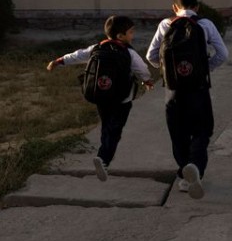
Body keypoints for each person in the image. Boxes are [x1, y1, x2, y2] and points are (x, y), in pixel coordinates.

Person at [46, 15, 154, 182]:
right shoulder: (129, 52)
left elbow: (77, 55)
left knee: (106, 125)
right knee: (115, 130)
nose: (133, 35)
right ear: (120, 36)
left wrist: (59, 61)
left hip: (101, 96)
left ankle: (103, 153)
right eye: (131, 32)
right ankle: (103, 159)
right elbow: (142, 69)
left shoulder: (97, 48)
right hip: (122, 99)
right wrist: (147, 80)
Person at [147, 0, 228, 199]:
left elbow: (151, 56)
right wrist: (204, 68)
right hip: (198, 88)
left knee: (178, 132)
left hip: (173, 90)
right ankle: (195, 167)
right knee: (202, 131)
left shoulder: (166, 25)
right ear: (197, 7)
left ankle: (184, 175)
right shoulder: (206, 25)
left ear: (174, 8)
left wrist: (168, 71)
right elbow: (222, 54)